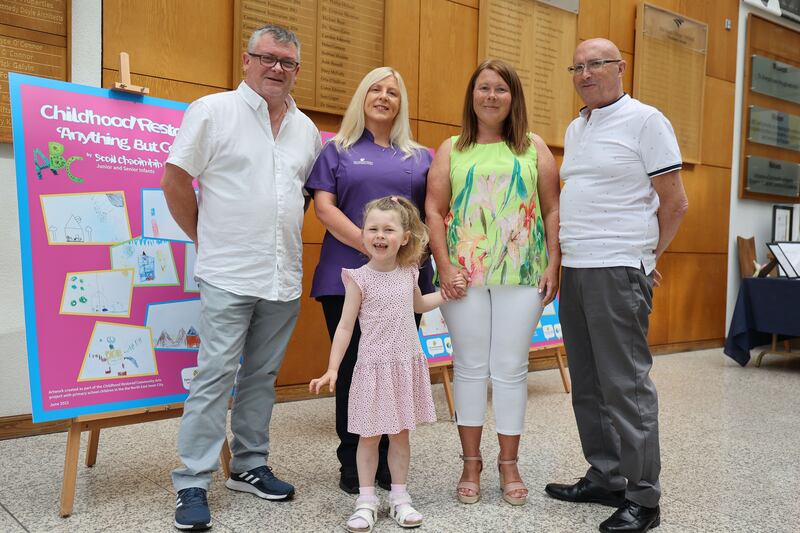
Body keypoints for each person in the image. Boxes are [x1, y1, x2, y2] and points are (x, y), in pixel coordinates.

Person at [161, 24, 321, 531]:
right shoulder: (212, 111)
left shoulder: (307, 130)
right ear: (246, 61)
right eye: (267, 58)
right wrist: (202, 238)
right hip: (228, 273)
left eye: (287, 63)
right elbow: (175, 179)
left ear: (297, 71)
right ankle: (191, 481)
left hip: (283, 276)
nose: (277, 69)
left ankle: (249, 467)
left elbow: (310, 196)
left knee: (261, 378)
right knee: (213, 378)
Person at [544, 38, 688, 533]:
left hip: (617, 267)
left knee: (625, 387)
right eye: (577, 66)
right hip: (578, 270)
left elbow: (675, 203)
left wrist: (647, 258)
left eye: (596, 65)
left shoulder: (646, 120)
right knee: (587, 382)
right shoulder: (577, 125)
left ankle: (645, 499)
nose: (585, 74)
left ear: (620, 68)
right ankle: (606, 476)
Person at [425, 59, 561, 507]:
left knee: (510, 368)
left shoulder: (533, 147)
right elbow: (433, 210)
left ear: (513, 97)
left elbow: (552, 208)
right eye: (483, 88)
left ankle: (508, 463)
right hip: (463, 278)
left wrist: (554, 261)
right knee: (468, 367)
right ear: (472, 96)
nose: (491, 96)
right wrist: (443, 266)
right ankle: (470, 463)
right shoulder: (451, 149)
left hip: (522, 275)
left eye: (500, 89)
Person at [305, 66, 435, 494]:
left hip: (403, 280)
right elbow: (324, 208)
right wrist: (375, 248)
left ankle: (386, 464)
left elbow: (433, 213)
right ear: (362, 97)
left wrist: (400, 259)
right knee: (356, 371)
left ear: (402, 104)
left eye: (393, 92)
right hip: (348, 278)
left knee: (393, 370)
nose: (383, 97)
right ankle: (352, 462)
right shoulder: (336, 150)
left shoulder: (421, 156)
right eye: (375, 90)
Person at [310, 196, 460, 532]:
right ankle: (365, 500)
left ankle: (399, 497)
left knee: (400, 436)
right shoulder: (358, 278)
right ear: (363, 234)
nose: (379, 235)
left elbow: (420, 304)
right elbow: (345, 327)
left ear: (405, 237)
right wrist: (333, 368)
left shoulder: (409, 273)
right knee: (367, 436)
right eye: (372, 228)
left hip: (404, 365)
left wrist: (448, 292)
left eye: (388, 229)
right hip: (372, 369)